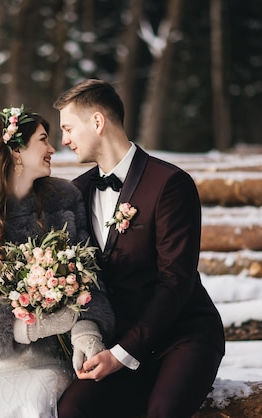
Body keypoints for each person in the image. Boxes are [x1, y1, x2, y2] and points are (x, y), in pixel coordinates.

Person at [55, 80, 226, 418]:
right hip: (116, 340)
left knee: (162, 413)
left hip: (182, 335)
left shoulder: (169, 184)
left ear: (98, 122)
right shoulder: (75, 192)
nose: (64, 140)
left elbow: (176, 281)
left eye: (68, 128)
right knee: (72, 409)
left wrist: (122, 353)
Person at [0, 106, 114, 418]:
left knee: (50, 390)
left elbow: (90, 273)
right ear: (16, 150)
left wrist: (86, 328)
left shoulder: (64, 199)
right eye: (43, 139)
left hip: (57, 356)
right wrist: (33, 327)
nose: (52, 148)